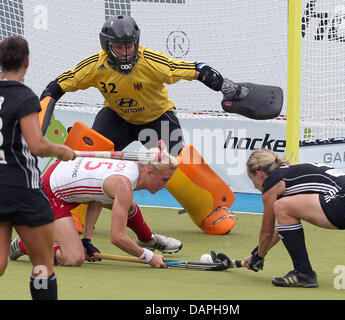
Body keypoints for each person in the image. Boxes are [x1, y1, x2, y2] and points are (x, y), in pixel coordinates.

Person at [40, 15, 247, 156]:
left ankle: (212, 214)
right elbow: (57, 87)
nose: (126, 52)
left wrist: (223, 85)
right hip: (116, 118)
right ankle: (74, 217)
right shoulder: (94, 66)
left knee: (179, 166)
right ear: (107, 46)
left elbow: (194, 69)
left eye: (129, 45)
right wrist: (40, 118)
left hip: (158, 119)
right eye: (119, 47)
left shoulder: (152, 62)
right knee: (89, 160)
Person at [10, 143, 180, 268]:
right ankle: (25, 243)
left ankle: (146, 239)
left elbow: (96, 195)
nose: (165, 185)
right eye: (165, 179)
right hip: (51, 192)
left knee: (128, 206)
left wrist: (87, 239)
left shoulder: (129, 167)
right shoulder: (123, 185)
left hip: (64, 173)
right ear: (149, 172)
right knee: (74, 258)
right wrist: (149, 258)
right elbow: (117, 238)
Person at [241, 149, 345, 288]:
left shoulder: (272, 182)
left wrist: (258, 257)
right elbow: (281, 229)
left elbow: (267, 231)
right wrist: (257, 253)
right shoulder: (293, 174)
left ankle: (303, 273)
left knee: (281, 206)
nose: (254, 186)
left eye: (251, 178)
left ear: (259, 174)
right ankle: (302, 273)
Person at [0, 36, 75, 300]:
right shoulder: (24, 97)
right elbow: (37, 145)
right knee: (42, 263)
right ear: (27, 62)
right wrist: (62, 150)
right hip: (22, 189)